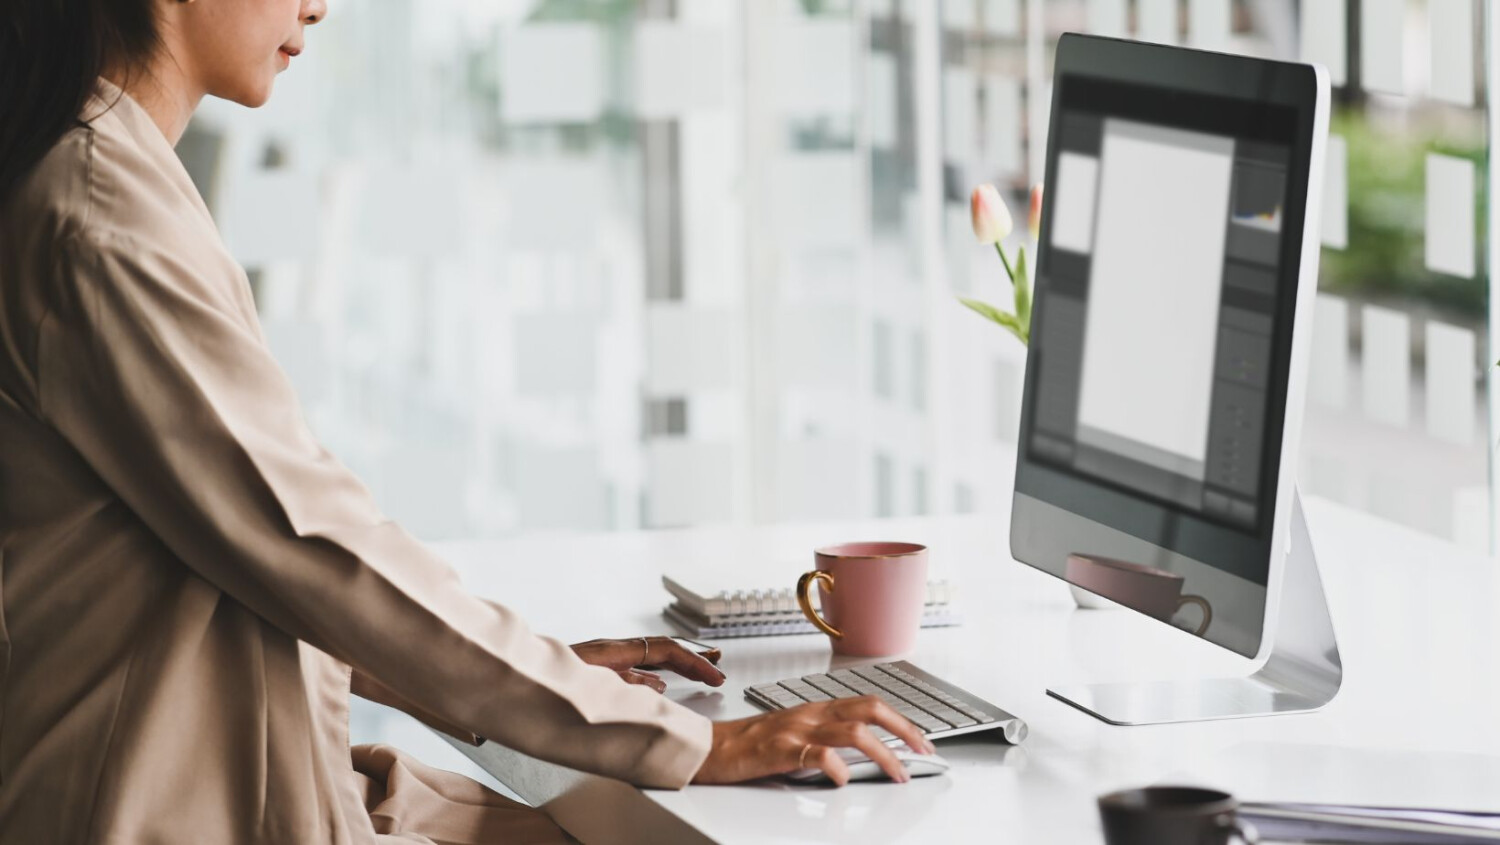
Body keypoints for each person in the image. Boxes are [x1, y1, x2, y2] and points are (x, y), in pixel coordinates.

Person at [0, 0, 936, 842]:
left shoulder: (109, 176)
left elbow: (243, 564)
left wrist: (546, 681)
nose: (319, 9)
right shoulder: (101, 217)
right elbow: (316, 548)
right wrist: (685, 739)